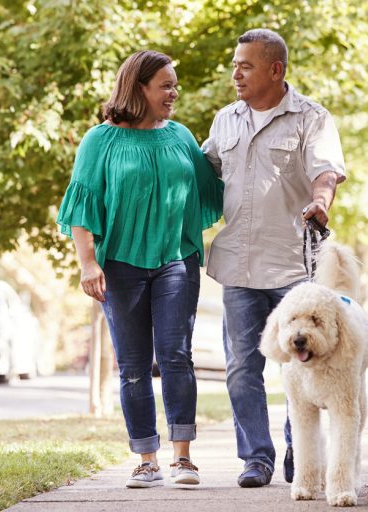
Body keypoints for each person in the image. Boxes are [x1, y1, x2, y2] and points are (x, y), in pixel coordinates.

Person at [57, 50, 223, 488]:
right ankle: (146, 458)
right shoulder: (100, 141)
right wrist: (87, 261)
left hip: (175, 261)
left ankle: (182, 457)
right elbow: (82, 205)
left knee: (176, 356)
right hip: (120, 267)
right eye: (166, 85)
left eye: (174, 84)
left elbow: (215, 186)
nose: (174, 92)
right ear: (139, 88)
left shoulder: (181, 136)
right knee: (132, 366)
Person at [202, 28, 346, 488]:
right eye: (235, 64)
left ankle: (296, 455)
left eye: (245, 65)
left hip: (294, 266)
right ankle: (256, 458)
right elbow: (202, 173)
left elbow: (326, 172)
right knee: (242, 364)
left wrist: (321, 201)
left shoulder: (311, 118)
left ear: (276, 69)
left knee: (299, 364)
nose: (236, 73)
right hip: (239, 266)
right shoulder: (225, 119)